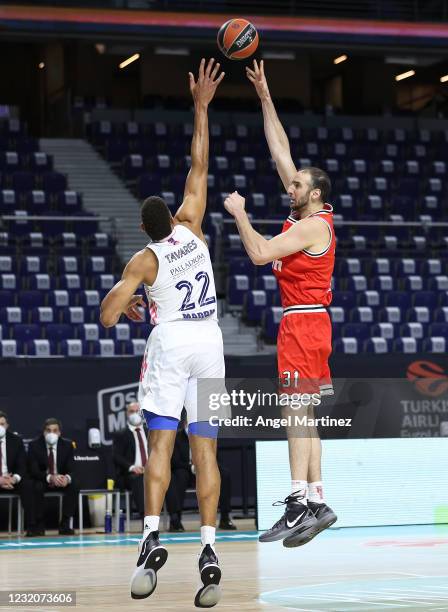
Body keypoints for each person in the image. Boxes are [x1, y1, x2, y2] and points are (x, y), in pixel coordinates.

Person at [100, 58, 225, 607]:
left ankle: (151, 535)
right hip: (211, 342)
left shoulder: (144, 260)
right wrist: (200, 105)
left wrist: (128, 299)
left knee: (161, 445)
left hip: (172, 344)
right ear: (173, 216)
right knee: (207, 455)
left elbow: (107, 317)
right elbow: (199, 163)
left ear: (142, 228)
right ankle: (210, 546)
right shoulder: (193, 224)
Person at [223, 59, 337, 548]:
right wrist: (265, 94)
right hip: (311, 323)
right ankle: (315, 500)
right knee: (305, 414)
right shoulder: (306, 212)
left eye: (296, 186)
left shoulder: (312, 225)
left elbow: (259, 253)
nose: (288, 187)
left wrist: (240, 214)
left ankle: (296, 503)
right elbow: (280, 149)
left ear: (314, 195)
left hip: (303, 323)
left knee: (294, 412)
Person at [166, 417, 237, 532]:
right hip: (185, 470)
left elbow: (214, 457)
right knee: (178, 477)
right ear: (185, 423)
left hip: (204, 469)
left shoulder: (206, 436)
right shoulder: (176, 437)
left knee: (224, 474)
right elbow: (174, 461)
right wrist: (192, 467)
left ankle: (225, 517)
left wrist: (205, 466)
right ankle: (175, 520)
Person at [28, 418, 78, 536]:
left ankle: (65, 524)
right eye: (48, 430)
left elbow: (73, 469)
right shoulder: (34, 445)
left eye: (55, 431)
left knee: (75, 484)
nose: (51, 433)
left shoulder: (67, 445)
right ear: (44, 432)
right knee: (36, 486)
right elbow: (33, 470)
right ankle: (39, 525)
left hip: (61, 480)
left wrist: (66, 478)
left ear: (59, 433)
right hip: (44, 479)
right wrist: (50, 477)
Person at [0, 411, 38, 536]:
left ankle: (32, 527)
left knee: (28, 484)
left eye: (2, 424)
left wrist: (14, 479)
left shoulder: (16, 441)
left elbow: (22, 466)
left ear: (7, 425)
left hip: (11, 479)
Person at [112, 402, 148, 519]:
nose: (135, 414)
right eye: (132, 412)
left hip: (151, 471)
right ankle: (145, 519)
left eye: (137, 411)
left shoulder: (151, 432)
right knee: (139, 479)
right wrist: (132, 467)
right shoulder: (121, 434)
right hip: (130, 474)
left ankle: (175, 519)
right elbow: (116, 456)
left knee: (173, 477)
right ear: (127, 414)